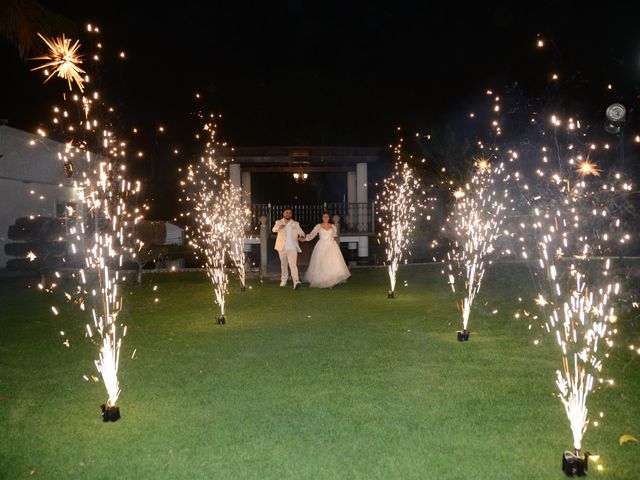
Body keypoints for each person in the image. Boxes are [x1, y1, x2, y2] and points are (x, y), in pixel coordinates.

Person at [304, 212, 351, 288]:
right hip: (321, 246)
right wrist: (305, 239)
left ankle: (331, 281)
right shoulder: (318, 226)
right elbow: (312, 234)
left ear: (329, 218)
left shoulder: (333, 226)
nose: (326, 218)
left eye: (327, 217)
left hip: (331, 246)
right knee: (321, 263)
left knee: (331, 263)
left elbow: (334, 236)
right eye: (324, 217)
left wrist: (334, 244)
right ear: (322, 218)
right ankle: (322, 280)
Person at [272, 208, 306, 289]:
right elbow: (273, 230)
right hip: (282, 247)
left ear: (291, 215)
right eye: (286, 213)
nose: (288, 214)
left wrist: (301, 236)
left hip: (292, 247)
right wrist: (279, 227)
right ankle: (284, 280)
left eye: (290, 213)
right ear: (283, 213)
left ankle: (296, 281)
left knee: (293, 265)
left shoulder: (295, 223)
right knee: (283, 264)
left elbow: (302, 233)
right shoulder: (278, 222)